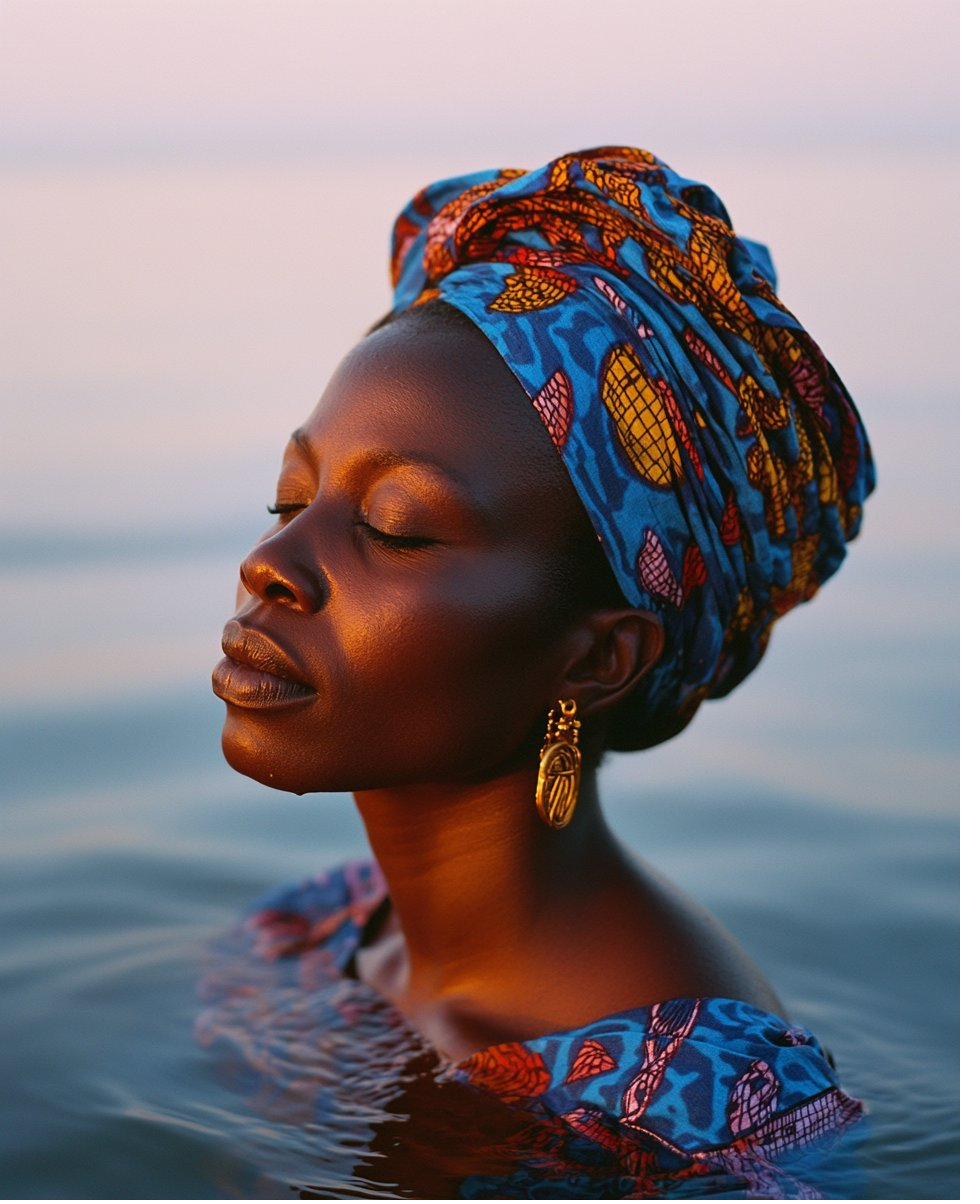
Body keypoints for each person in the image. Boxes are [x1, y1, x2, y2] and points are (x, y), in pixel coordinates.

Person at [205, 146, 874, 1196]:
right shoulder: (323, 928)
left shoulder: (694, 1114)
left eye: (395, 525)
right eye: (293, 501)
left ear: (596, 657)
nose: (271, 565)